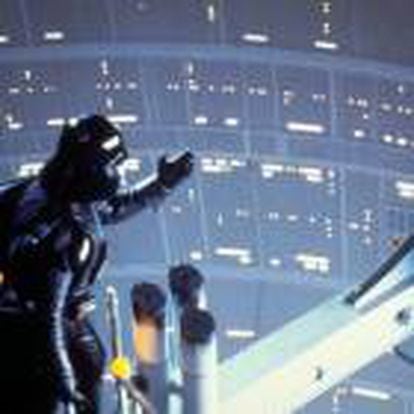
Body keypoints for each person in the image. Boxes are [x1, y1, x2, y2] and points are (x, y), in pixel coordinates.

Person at [0, 114, 193, 413]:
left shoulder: (62, 194)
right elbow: (48, 318)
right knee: (47, 392)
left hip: (56, 319)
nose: (120, 174)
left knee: (90, 364)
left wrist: (163, 183)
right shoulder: (59, 234)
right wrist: (65, 380)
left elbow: (112, 207)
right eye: (114, 166)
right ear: (93, 171)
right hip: (28, 331)